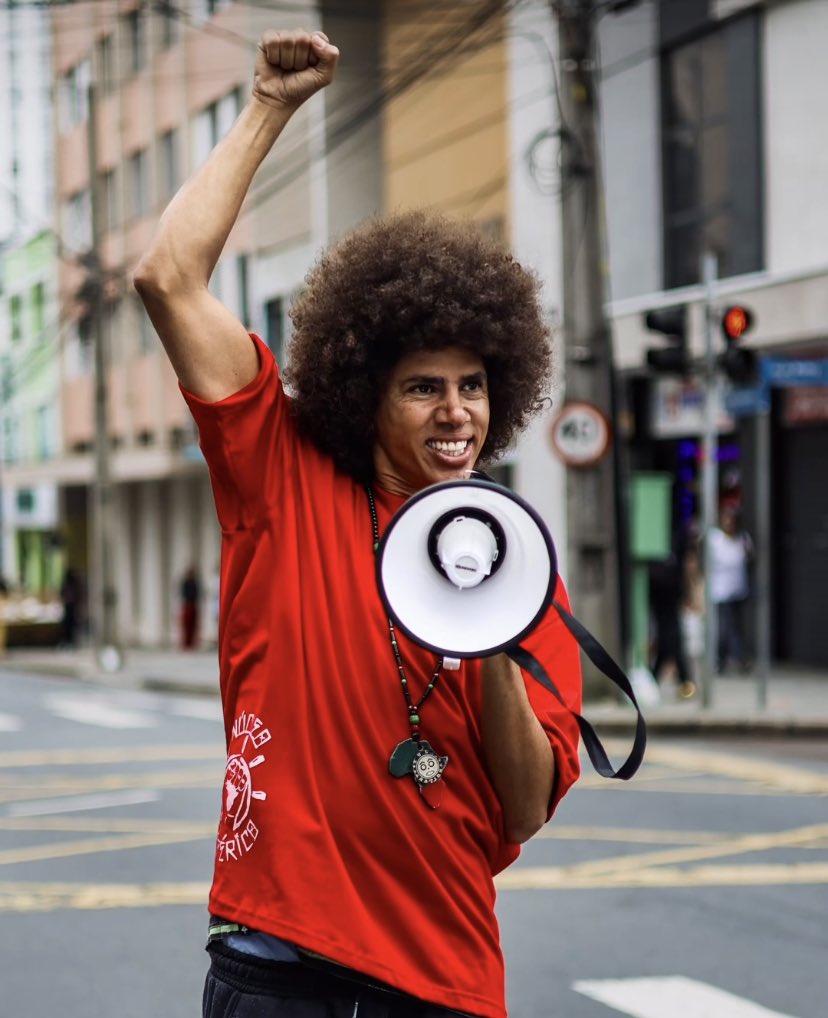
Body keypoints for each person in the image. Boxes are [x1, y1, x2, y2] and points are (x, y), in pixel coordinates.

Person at [135, 29, 583, 1018]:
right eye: (423, 386)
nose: (455, 410)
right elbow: (167, 278)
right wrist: (267, 106)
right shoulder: (283, 475)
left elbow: (521, 803)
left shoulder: (526, 578)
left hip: (443, 983)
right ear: (363, 391)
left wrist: (492, 632)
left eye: (472, 385)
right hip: (280, 969)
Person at [648, 525, 695, 699]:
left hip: (668, 587)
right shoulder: (668, 535)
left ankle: (663, 677)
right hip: (663, 587)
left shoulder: (676, 534)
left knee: (669, 633)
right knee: (670, 633)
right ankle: (684, 679)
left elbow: (687, 563)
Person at [708, 505, 754, 673]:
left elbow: (750, 558)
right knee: (725, 627)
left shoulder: (742, 538)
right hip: (720, 591)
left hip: (738, 589)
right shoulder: (715, 539)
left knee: (736, 626)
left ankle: (735, 658)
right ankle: (729, 658)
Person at [179, 565, 202, 650]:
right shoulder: (186, 582)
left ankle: (192, 643)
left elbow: (198, 593)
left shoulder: (195, 582)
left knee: (193, 625)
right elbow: (183, 593)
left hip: (193, 604)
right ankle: (186, 643)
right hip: (187, 604)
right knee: (187, 625)